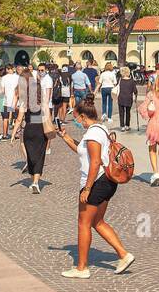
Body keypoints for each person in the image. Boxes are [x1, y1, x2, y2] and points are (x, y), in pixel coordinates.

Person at [57, 97, 134, 279]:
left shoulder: (92, 135)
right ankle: (123, 254)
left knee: (83, 223)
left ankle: (82, 268)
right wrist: (66, 137)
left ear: (83, 116)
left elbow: (95, 161)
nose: (76, 121)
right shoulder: (100, 129)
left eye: (76, 118)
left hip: (96, 182)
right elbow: (81, 151)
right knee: (97, 222)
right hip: (107, 182)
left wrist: (87, 189)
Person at [19, 64, 53, 194]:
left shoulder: (25, 101)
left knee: (31, 155)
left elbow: (19, 118)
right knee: (39, 156)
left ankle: (32, 179)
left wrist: (14, 132)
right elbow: (47, 115)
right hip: (40, 129)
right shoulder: (42, 100)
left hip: (29, 130)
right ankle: (36, 182)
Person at [0, 65, 20, 140]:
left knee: (5, 118)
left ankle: (5, 134)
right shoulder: (17, 77)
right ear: (13, 69)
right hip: (16, 101)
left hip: (6, 101)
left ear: (7, 69)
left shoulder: (4, 78)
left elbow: (2, 91)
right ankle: (17, 133)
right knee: (17, 118)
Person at [116, 66, 137, 131]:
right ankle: (127, 125)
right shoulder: (132, 81)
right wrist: (136, 96)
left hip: (121, 97)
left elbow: (117, 88)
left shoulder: (120, 80)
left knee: (121, 112)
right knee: (128, 112)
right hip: (129, 98)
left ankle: (122, 126)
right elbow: (135, 90)